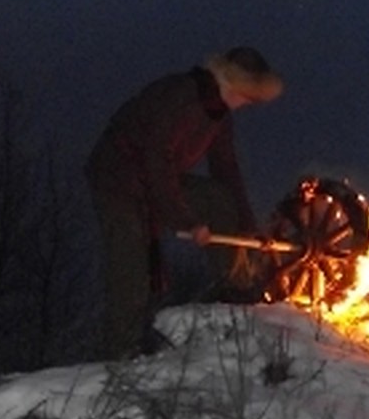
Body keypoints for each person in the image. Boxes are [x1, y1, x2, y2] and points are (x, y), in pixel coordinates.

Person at [86, 46, 283, 358]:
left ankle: (235, 294)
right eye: (249, 97)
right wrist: (186, 221)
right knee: (132, 267)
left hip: (157, 178)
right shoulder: (181, 96)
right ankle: (121, 357)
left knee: (217, 200)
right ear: (233, 84)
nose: (247, 105)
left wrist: (248, 227)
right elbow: (156, 160)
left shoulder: (219, 115)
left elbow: (226, 170)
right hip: (118, 179)